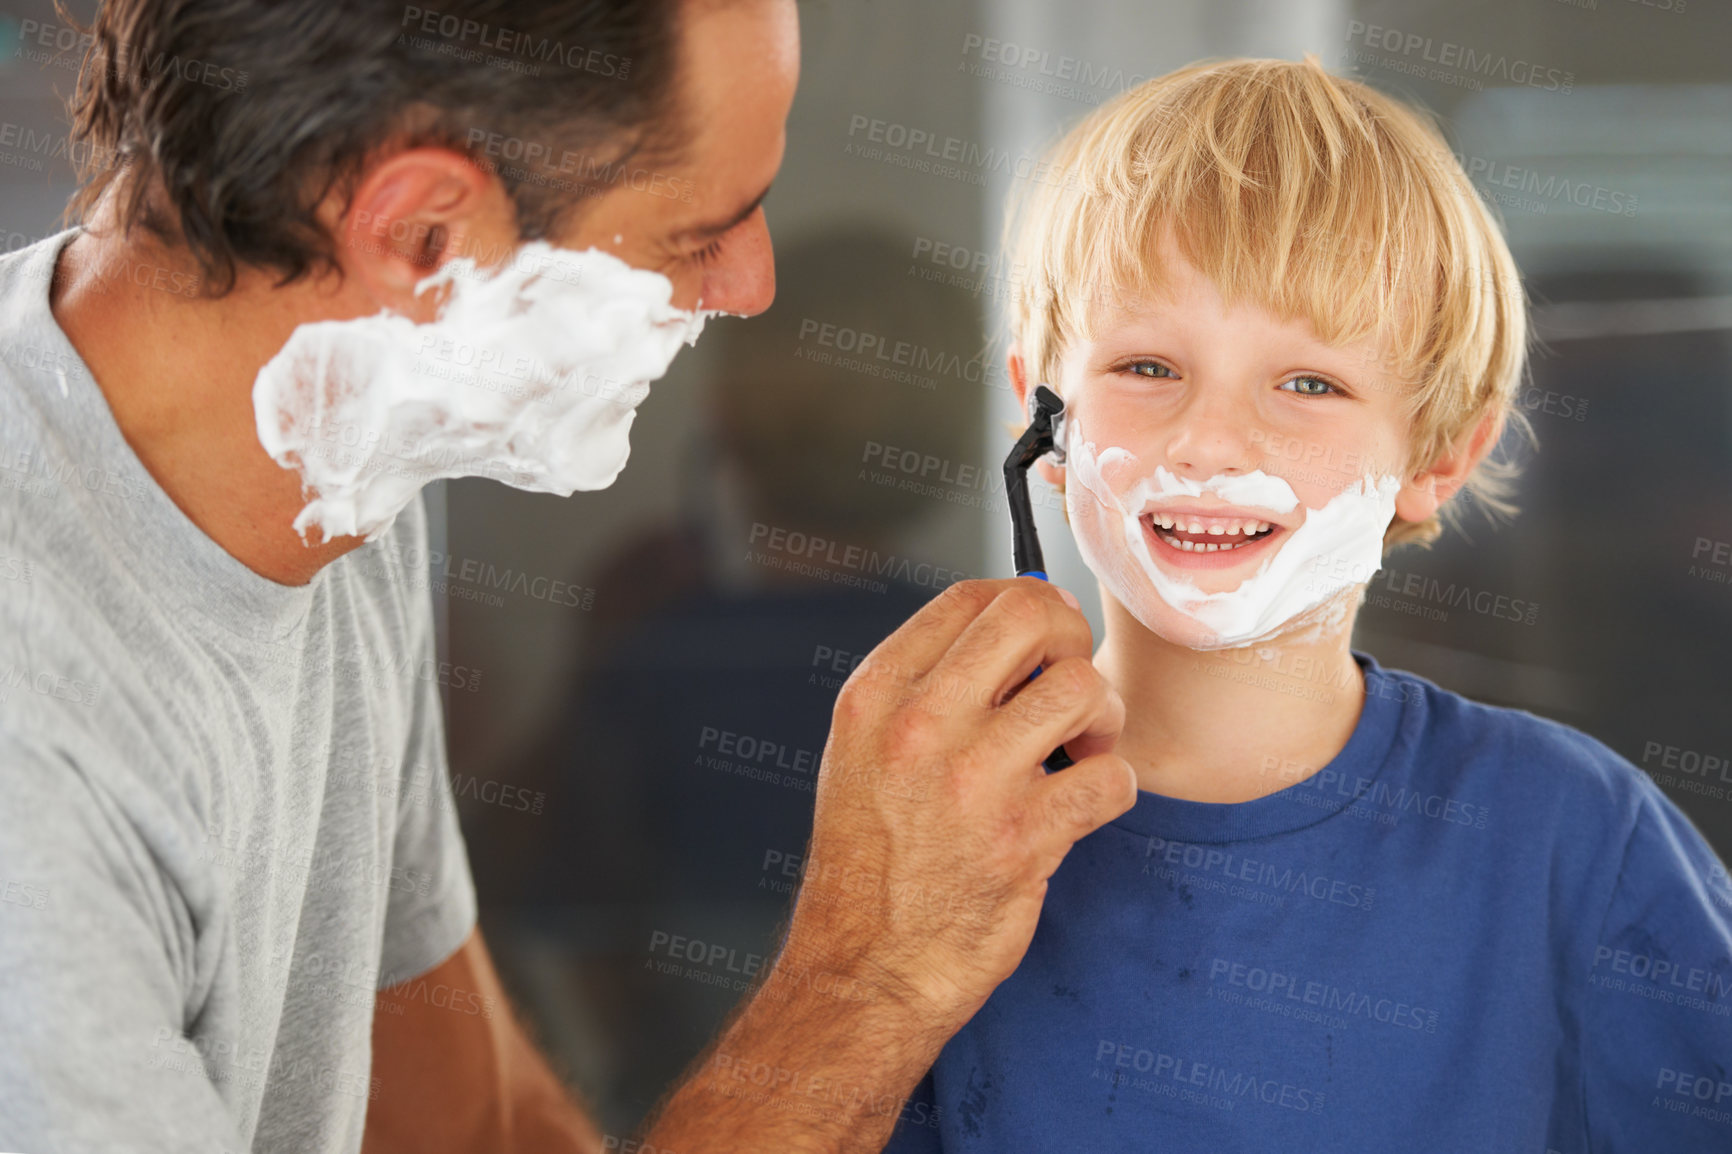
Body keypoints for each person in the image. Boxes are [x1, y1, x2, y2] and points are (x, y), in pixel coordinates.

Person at [0, 2, 1136, 1153]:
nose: (751, 284)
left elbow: (468, 1126)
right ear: (425, 237)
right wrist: (871, 979)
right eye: (700, 229)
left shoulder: (338, 464)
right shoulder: (35, 766)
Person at [881, 57, 1732, 1152]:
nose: (1207, 440)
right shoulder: (947, 820)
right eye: (1145, 365)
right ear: (1042, 418)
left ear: (1439, 454)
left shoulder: (1573, 839)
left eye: (1308, 383)